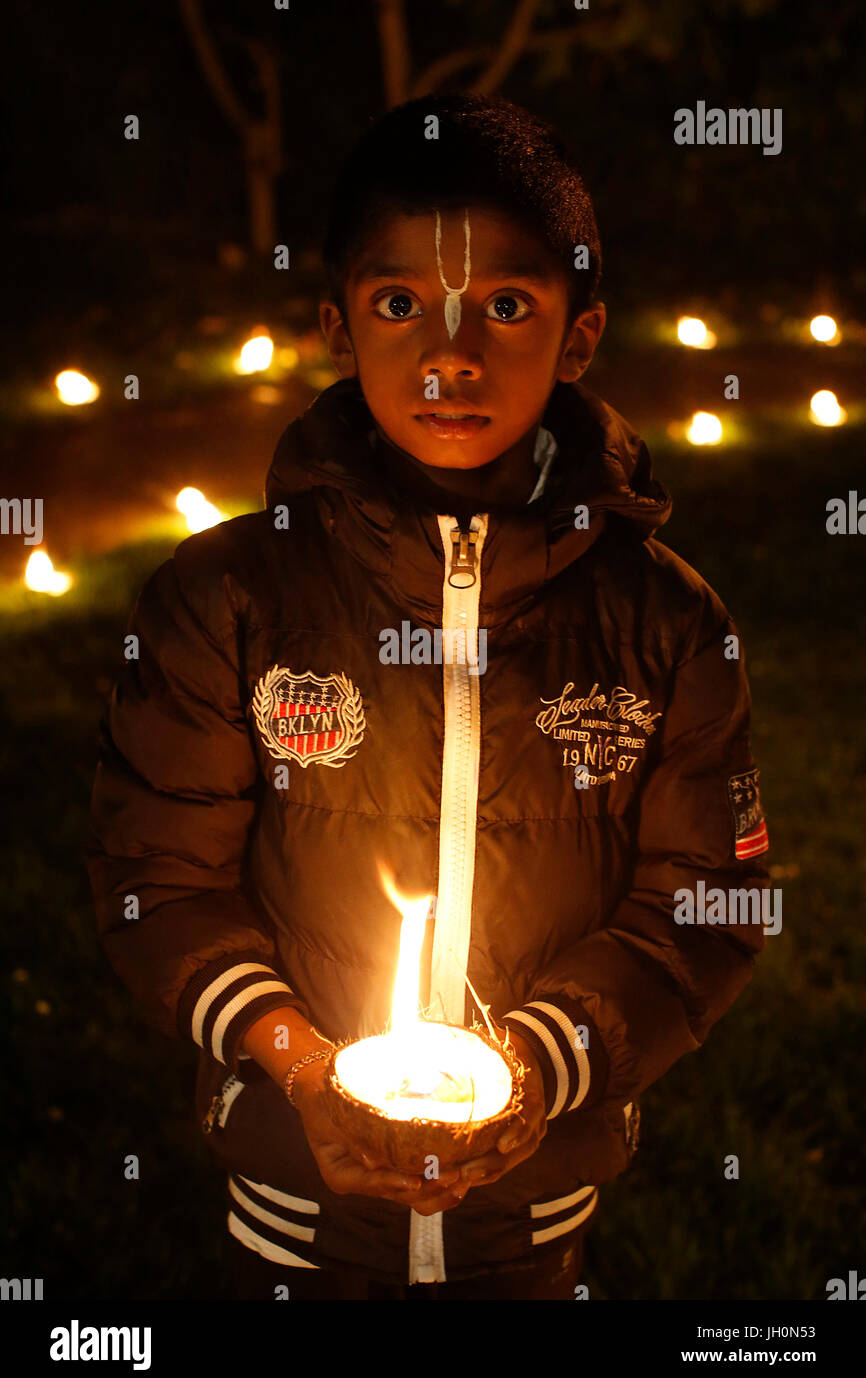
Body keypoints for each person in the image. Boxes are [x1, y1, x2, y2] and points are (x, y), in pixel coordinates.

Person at [87, 92, 771, 1301]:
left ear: (578, 334)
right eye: (400, 304)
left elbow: (705, 900)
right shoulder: (226, 596)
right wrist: (301, 1069)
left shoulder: (665, 623)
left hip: (535, 1210)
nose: (449, 355)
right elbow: (159, 878)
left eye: (504, 307)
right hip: (290, 1216)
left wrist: (534, 1064)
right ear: (338, 327)